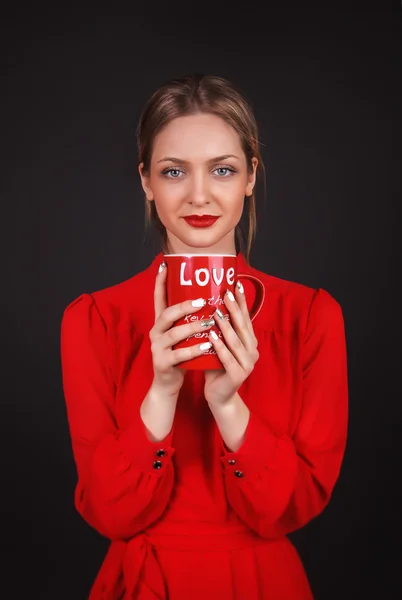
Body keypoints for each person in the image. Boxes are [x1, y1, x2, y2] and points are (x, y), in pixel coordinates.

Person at [60, 73, 348, 599]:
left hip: (263, 584)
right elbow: (109, 513)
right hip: (146, 581)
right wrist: (162, 391)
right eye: (173, 171)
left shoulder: (310, 316)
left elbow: (296, 504)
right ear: (146, 180)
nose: (199, 194)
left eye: (222, 169)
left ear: (251, 177)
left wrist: (227, 404)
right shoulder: (93, 319)